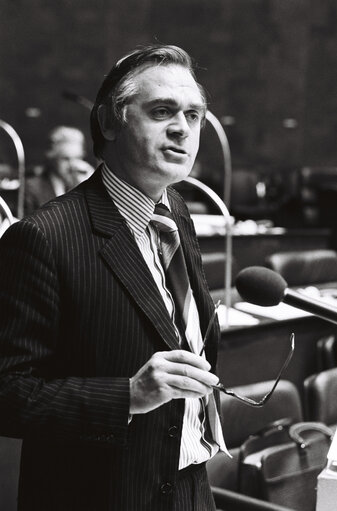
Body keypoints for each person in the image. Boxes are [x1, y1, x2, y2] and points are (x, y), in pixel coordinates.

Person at [0, 45, 229, 511]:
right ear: (108, 123)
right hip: (101, 495)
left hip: (188, 488)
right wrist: (126, 395)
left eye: (193, 115)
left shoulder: (176, 211)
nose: (182, 128)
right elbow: (8, 393)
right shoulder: (42, 237)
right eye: (162, 111)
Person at [24, 125, 94, 215]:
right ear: (52, 158)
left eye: (77, 158)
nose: (73, 165)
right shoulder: (32, 188)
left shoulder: (82, 182)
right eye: (66, 159)